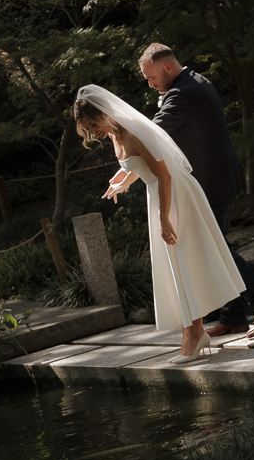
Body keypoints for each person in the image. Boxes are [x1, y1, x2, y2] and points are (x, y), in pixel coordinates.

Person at [74, 83, 244, 362]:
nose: (92, 132)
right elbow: (141, 164)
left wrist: (164, 219)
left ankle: (194, 335)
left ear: (104, 113)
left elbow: (164, 174)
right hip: (159, 194)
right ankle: (193, 335)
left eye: (92, 124)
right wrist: (124, 178)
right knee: (177, 266)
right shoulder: (116, 135)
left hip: (175, 194)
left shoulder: (133, 131)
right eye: (87, 128)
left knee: (185, 262)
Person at [139, 43, 254, 339]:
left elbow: (151, 134)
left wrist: (123, 138)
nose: (150, 83)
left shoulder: (182, 94)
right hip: (219, 178)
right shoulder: (197, 80)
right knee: (216, 248)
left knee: (215, 252)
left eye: (151, 77)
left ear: (167, 67)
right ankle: (233, 318)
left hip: (212, 184)